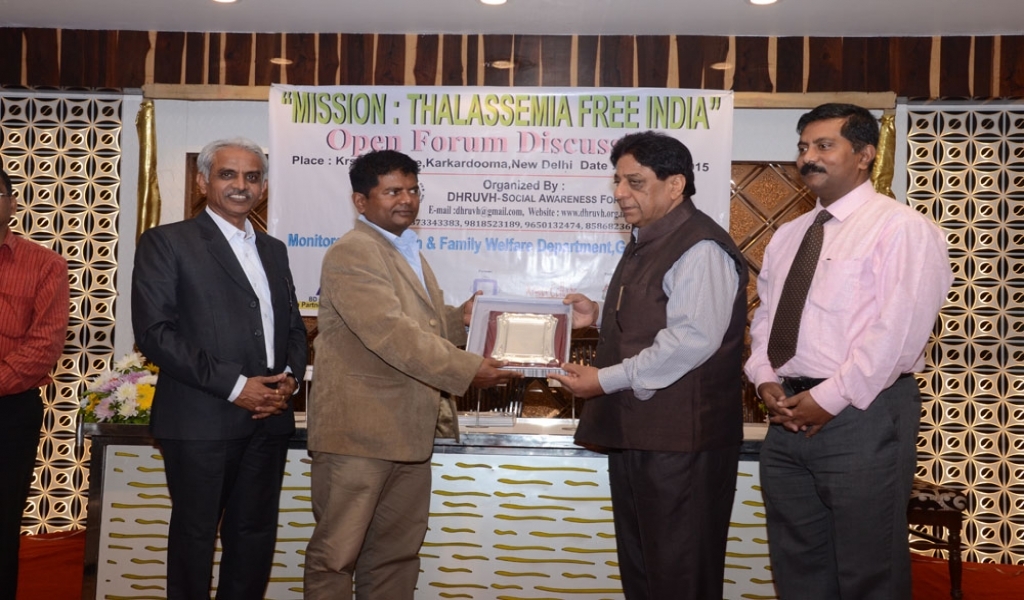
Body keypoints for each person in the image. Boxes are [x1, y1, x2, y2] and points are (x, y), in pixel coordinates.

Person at [745, 103, 952, 599]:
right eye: (802, 147)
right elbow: (766, 321)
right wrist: (765, 379)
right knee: (798, 567)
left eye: (824, 145)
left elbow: (897, 334)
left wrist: (828, 399)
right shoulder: (789, 236)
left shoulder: (901, 228)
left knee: (868, 571)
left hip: (864, 413)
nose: (807, 158)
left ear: (864, 155)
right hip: (787, 415)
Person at [303, 149, 521, 600]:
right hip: (358, 436)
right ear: (361, 201)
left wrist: (461, 318)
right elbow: (389, 333)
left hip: (407, 433)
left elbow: (420, 326)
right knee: (336, 557)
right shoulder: (353, 251)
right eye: (392, 191)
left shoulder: (404, 250)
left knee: (396, 557)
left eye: (412, 190)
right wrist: (466, 369)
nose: (406, 199)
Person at [550, 131, 748, 599]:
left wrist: (604, 381)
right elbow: (656, 318)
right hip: (642, 436)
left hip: (682, 444)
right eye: (617, 181)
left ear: (675, 184)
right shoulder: (649, 239)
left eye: (635, 182)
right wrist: (599, 318)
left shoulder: (699, 247)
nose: (620, 193)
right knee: (644, 575)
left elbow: (690, 340)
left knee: (680, 578)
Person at [132, 137, 308, 600]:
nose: (240, 185)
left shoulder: (274, 250)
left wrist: (289, 380)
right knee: (194, 539)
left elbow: (293, 327)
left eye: (252, 177)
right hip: (201, 420)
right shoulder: (167, 242)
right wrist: (236, 386)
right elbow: (155, 333)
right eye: (227, 174)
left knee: (253, 537)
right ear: (202, 181)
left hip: (268, 420)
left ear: (263, 187)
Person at [0, 167, 69, 598]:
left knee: (3, 521)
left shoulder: (46, 264)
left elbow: (44, 344)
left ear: (11, 202)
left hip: (10, 411)